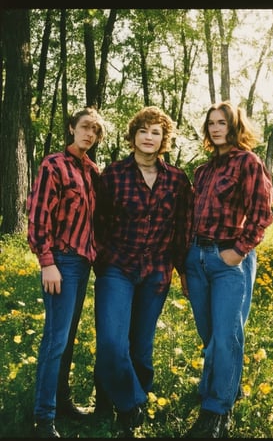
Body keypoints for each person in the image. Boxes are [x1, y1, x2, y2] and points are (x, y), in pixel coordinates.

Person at [93, 106, 193, 436]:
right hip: (117, 268)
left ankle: (117, 405)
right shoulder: (114, 174)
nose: (149, 137)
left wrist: (180, 269)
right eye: (143, 131)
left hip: (156, 273)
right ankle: (132, 402)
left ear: (164, 139)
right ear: (133, 136)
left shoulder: (178, 180)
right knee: (111, 342)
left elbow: (183, 228)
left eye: (156, 132)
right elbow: (99, 220)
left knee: (141, 348)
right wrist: (104, 258)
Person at [183, 101, 273, 438]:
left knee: (225, 336)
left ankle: (217, 412)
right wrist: (186, 263)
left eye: (222, 122)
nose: (216, 128)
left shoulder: (248, 163)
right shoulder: (203, 171)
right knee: (210, 336)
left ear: (235, 126)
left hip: (227, 261)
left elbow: (262, 213)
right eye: (211, 123)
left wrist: (237, 251)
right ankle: (225, 386)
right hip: (197, 258)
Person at [27, 107, 105, 438]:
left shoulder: (92, 171)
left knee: (68, 338)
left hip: (84, 262)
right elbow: (38, 214)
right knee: (56, 339)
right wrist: (47, 262)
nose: (90, 134)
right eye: (85, 127)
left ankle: (60, 401)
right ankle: (43, 418)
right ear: (72, 128)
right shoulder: (53, 165)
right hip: (61, 261)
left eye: (96, 131)